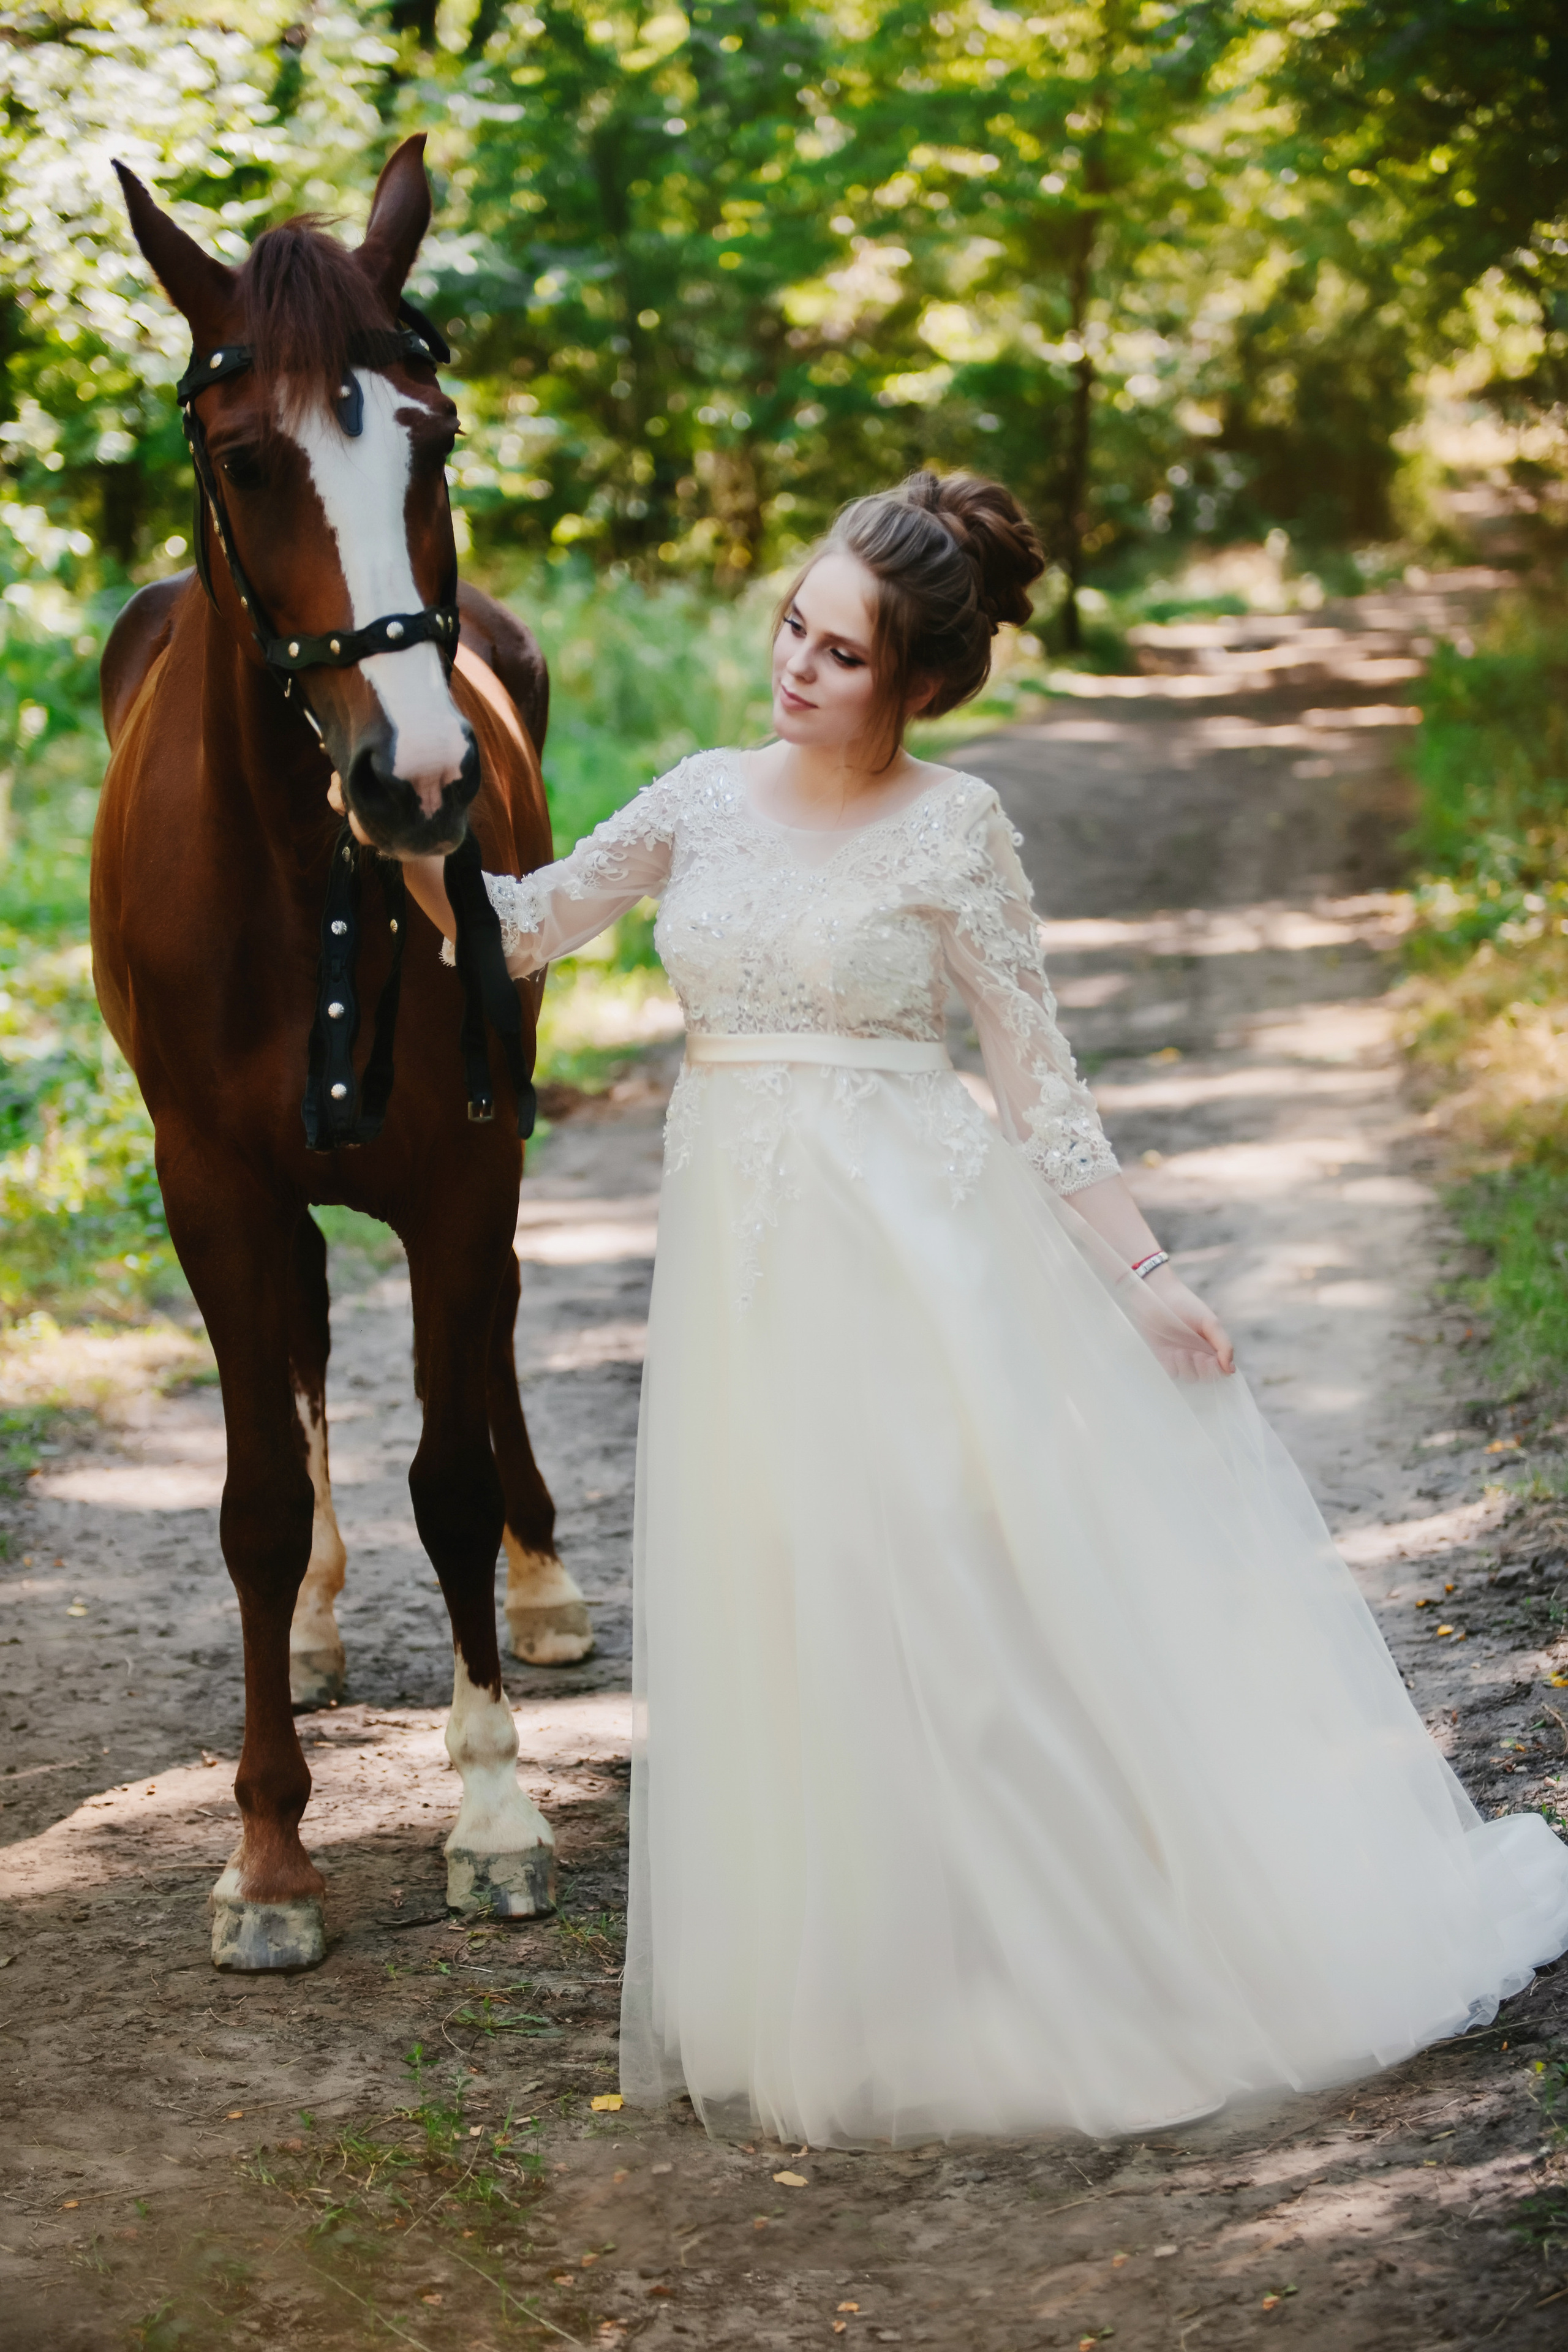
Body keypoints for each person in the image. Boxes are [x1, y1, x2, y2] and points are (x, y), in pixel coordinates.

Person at [405, 471, 1568, 2149]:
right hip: (747, 1285)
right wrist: (417, 830)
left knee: (953, 1590)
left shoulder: (956, 828)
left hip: (921, 1267)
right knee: (790, 1589)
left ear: (922, 684)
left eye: (845, 654)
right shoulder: (702, 797)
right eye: (794, 627)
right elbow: (516, 938)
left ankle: (1078, 1950)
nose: (798, 668)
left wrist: (1149, 1275)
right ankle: (858, 1974)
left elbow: (1041, 1085)